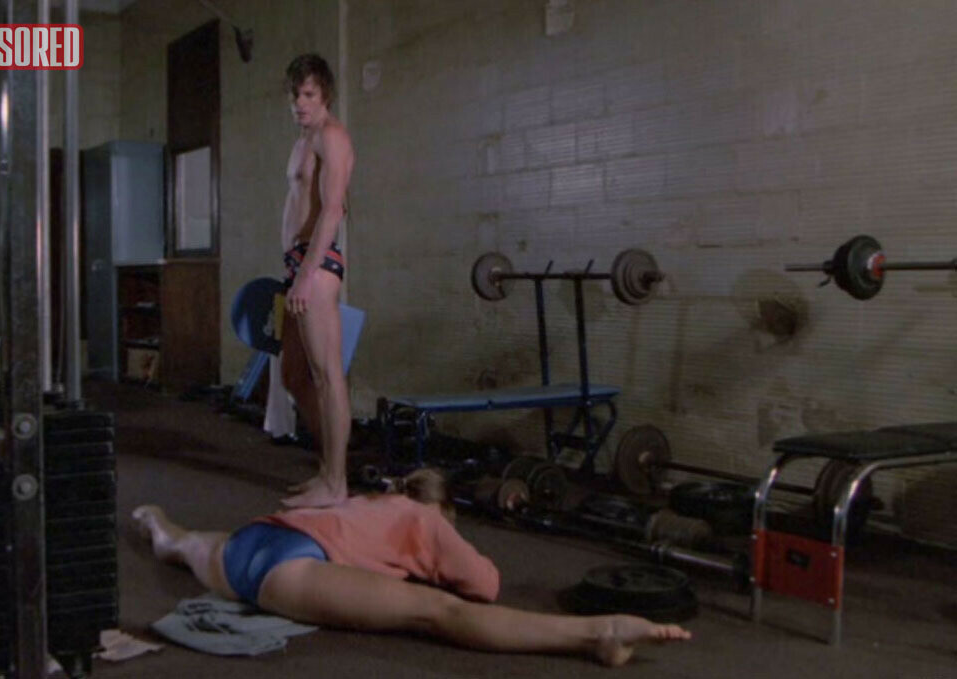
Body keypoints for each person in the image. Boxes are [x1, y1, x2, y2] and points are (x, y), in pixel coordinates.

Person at [132, 469, 692, 666]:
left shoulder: (366, 500)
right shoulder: (426, 519)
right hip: (291, 571)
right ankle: (599, 633)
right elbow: (484, 586)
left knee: (179, 544)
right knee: (436, 611)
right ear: (441, 508)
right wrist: (443, 548)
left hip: (251, 541)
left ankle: (155, 519)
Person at [277, 53, 355, 508]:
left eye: (308, 94)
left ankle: (336, 481)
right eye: (295, 94)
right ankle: (327, 468)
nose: (300, 103)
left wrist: (306, 276)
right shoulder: (303, 140)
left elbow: (333, 209)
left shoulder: (332, 136)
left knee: (328, 376)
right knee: (294, 375)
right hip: (298, 264)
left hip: (317, 266)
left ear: (324, 94)